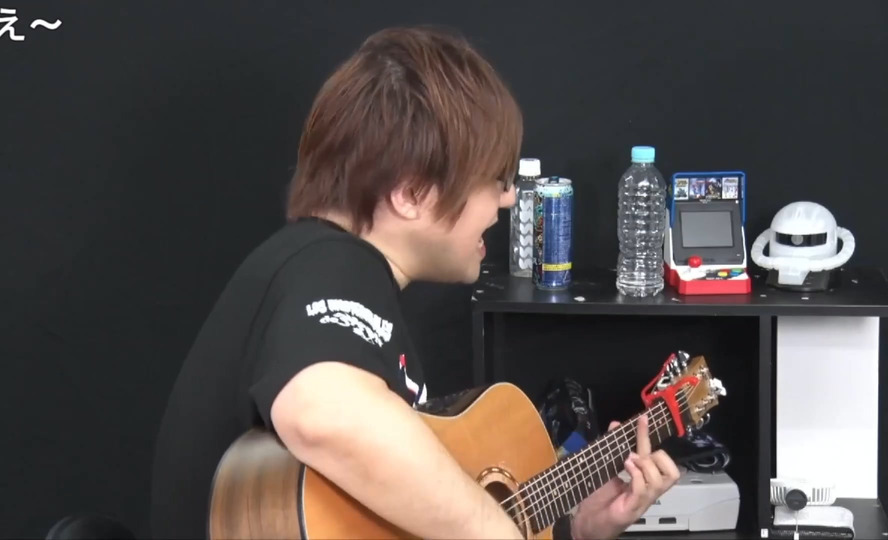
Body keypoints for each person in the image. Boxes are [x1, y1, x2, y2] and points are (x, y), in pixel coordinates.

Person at [149, 25, 679, 540]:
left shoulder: (332, 278)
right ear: (412, 193)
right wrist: (492, 530)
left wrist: (575, 529)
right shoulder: (327, 263)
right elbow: (321, 411)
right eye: (495, 179)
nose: (508, 199)